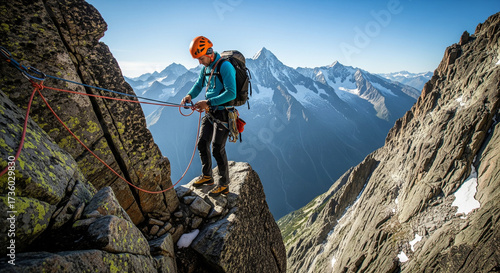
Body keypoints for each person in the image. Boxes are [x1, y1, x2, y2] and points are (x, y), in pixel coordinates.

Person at [181, 36, 236, 197]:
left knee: (217, 149)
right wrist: (190, 96)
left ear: (210, 52)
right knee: (201, 143)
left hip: (224, 112)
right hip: (210, 111)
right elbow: (199, 84)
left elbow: (231, 93)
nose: (199, 62)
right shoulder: (206, 68)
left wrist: (209, 102)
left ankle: (224, 184)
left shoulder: (225, 67)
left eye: (201, 58)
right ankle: (207, 177)